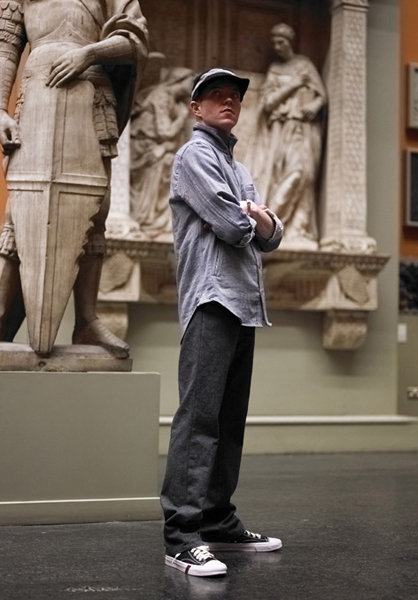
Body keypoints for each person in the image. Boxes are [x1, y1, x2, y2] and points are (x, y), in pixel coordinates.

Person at [161, 68, 284, 578]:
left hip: (244, 303)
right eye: (216, 95)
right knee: (199, 419)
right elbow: (236, 226)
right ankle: (181, 535)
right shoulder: (194, 156)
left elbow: (273, 236)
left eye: (234, 95)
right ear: (196, 107)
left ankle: (217, 521)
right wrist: (253, 214)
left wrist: (256, 216)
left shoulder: (240, 168)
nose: (228, 101)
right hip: (211, 300)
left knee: (229, 421)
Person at [0, 0, 149, 355]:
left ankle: (86, 321)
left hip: (92, 98)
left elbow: (135, 40)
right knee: (17, 216)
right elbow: (5, 49)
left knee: (96, 212)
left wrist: (89, 54)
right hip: (36, 101)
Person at [250, 23, 326, 248]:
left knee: (303, 173)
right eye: (274, 43)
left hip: (303, 128)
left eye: (281, 42)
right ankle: (270, 224)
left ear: (289, 42)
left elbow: (322, 95)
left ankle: (284, 225)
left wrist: (314, 105)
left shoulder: (305, 65)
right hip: (280, 130)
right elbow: (268, 103)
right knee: (283, 175)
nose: (277, 46)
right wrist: (294, 85)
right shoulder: (275, 70)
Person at [130, 67, 193, 240]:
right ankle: (144, 218)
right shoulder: (161, 95)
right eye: (191, 81)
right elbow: (165, 131)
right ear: (179, 80)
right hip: (142, 147)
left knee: (174, 164)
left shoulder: (175, 102)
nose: (192, 85)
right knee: (162, 163)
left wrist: (164, 147)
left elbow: (177, 141)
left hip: (154, 147)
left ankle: (160, 220)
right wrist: (181, 118)